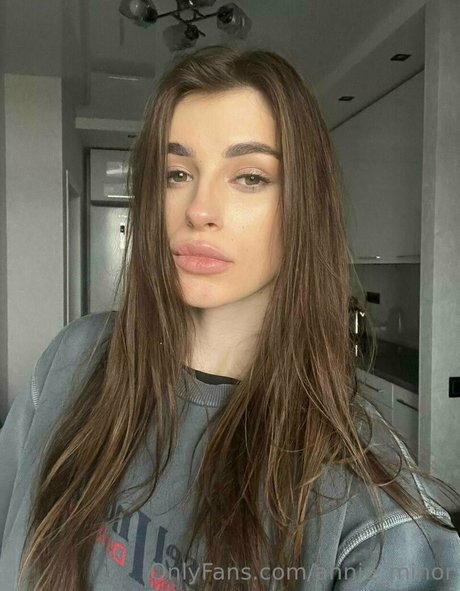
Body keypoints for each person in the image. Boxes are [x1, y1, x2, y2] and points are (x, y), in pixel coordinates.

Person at [0, 45, 459, 591]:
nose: (198, 209)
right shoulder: (72, 359)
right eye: (176, 173)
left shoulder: (372, 508)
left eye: (249, 177)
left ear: (303, 205)